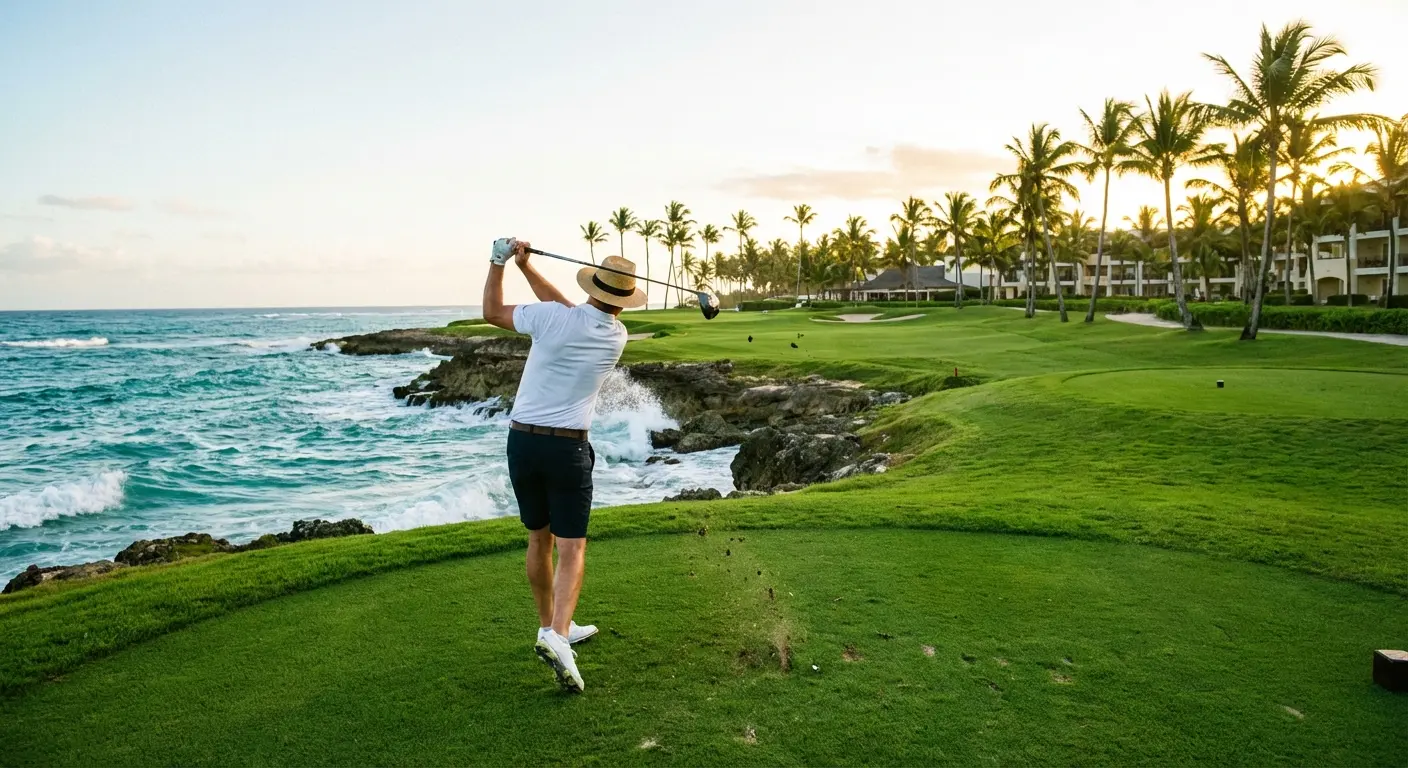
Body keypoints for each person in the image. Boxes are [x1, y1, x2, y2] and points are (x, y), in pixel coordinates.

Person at [480, 237, 646, 693]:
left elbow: (493, 312)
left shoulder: (554, 320)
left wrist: (501, 263)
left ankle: (552, 627)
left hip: (521, 443)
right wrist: (528, 269)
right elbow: (571, 312)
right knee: (572, 549)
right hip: (567, 451)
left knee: (539, 538)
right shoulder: (616, 335)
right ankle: (557, 633)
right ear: (623, 300)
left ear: (592, 286)